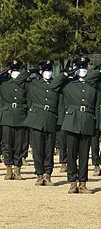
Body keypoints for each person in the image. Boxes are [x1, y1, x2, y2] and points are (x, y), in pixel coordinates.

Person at [53, 55, 99, 194]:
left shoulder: (93, 84)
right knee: (72, 154)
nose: (82, 70)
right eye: (80, 67)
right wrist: (66, 73)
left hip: (87, 121)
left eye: (85, 67)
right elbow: (53, 86)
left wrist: (96, 122)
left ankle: (83, 183)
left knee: (85, 155)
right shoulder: (68, 83)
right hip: (72, 121)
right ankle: (73, 182)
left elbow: (97, 105)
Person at [20, 60, 60, 186]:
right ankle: (39, 175)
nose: (48, 73)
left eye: (50, 70)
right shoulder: (34, 83)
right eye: (45, 70)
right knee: (38, 150)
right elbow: (19, 81)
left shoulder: (55, 84)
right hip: (37, 120)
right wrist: (29, 71)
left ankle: (48, 175)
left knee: (49, 150)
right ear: (41, 71)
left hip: (50, 119)